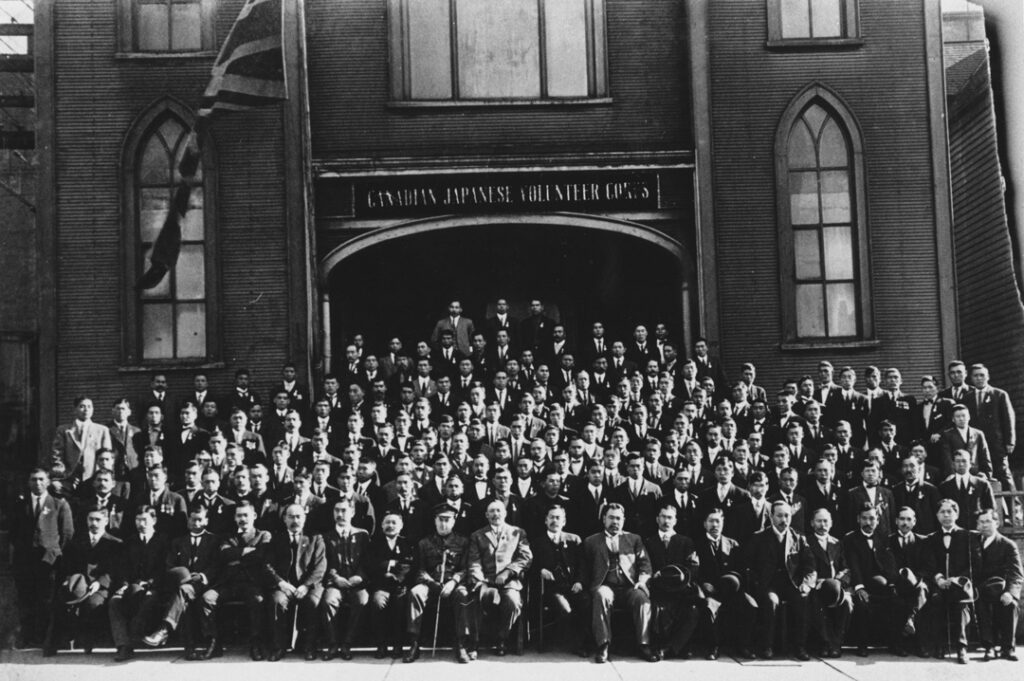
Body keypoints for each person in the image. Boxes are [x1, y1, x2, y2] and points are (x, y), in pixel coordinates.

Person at [576, 502, 656, 663]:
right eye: (611, 518)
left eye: (619, 518)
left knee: (642, 599)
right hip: (606, 585)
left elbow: (645, 564)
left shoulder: (634, 539)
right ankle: (603, 644)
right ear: (603, 519)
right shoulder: (591, 541)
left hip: (629, 587)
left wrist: (642, 581)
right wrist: (580, 582)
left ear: (624, 520)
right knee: (601, 595)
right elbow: (583, 568)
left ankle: (644, 644)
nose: (615, 522)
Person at [142, 505, 221, 659]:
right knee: (183, 594)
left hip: (207, 584)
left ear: (206, 521)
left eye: (200, 520)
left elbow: (217, 565)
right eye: (193, 520)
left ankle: (164, 629)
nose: (196, 524)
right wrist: (183, 576)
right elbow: (170, 565)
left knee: (183, 593)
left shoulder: (214, 540)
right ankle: (189, 649)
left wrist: (203, 576)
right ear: (188, 521)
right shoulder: (178, 542)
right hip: (183, 585)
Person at [744, 499, 815, 661]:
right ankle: (767, 646)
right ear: (771, 516)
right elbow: (748, 565)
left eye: (787, 516)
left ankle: (800, 646)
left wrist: (806, 584)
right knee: (771, 602)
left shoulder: (799, 538)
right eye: (780, 516)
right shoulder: (759, 538)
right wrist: (757, 583)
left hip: (792, 583)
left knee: (802, 599)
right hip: (768, 584)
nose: (784, 520)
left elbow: (810, 567)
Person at [11, 469, 74, 648]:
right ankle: (27, 635)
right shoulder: (19, 504)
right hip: (25, 561)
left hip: (49, 561)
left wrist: (54, 552)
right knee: (26, 598)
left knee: (46, 599)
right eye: (33, 480)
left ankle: (44, 637)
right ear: (28, 482)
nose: (37, 483)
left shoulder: (58, 503)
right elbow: (14, 533)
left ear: (47, 482)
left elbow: (67, 533)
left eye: (41, 479)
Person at [46, 507, 120, 656]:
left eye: (98, 519)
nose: (94, 523)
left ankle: (88, 642)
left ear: (106, 521)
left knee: (93, 604)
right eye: (90, 519)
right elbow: (67, 565)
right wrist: (69, 579)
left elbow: (115, 569)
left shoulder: (115, 544)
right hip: (78, 584)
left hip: (100, 586)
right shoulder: (77, 542)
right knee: (60, 602)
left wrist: (99, 582)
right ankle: (52, 644)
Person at [405, 503, 473, 663]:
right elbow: (420, 570)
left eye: (447, 520)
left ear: (454, 521)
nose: (443, 524)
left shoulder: (463, 542)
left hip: (453, 584)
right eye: (440, 520)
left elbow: (465, 569)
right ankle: (414, 643)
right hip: (430, 583)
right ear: (434, 520)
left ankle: (461, 644)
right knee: (415, 593)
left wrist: (453, 582)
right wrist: (430, 582)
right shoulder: (424, 543)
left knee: (463, 594)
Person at [467, 499, 533, 657]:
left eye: (498, 511)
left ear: (505, 513)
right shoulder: (477, 535)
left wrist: (508, 572)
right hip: (486, 580)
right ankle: (475, 643)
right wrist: (480, 580)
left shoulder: (517, 532)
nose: (495, 514)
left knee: (512, 601)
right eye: (492, 511)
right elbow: (473, 562)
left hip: (509, 580)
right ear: (486, 515)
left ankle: (502, 639)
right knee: (478, 598)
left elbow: (525, 557)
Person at [920, 498, 982, 663]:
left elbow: (974, 565)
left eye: (949, 512)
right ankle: (939, 644)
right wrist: (939, 579)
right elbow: (928, 564)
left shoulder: (968, 536)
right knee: (936, 600)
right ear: (937, 515)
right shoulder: (930, 539)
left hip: (961, 585)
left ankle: (962, 647)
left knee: (961, 604)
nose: (946, 515)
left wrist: (956, 579)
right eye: (942, 512)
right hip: (939, 585)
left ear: (956, 514)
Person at [210, 501, 272, 660]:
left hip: (252, 584)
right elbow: (224, 555)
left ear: (254, 516)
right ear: (234, 518)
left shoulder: (263, 535)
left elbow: (261, 556)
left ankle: (256, 643)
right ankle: (213, 642)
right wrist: (247, 552)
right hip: (228, 583)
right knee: (207, 598)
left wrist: (235, 556)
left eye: (246, 515)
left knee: (257, 600)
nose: (243, 519)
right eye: (239, 515)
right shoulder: (227, 536)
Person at [109, 505, 170, 662]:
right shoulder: (130, 541)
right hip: (132, 586)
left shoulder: (163, 541)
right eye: (138, 520)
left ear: (154, 520)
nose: (141, 524)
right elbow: (122, 567)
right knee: (115, 602)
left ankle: (136, 634)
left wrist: (149, 583)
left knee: (148, 598)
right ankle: (124, 646)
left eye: (145, 520)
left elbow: (165, 568)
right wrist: (123, 585)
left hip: (156, 588)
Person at [693, 509, 753, 659]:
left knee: (749, 605)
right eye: (711, 521)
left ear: (723, 523)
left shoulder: (733, 544)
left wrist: (733, 582)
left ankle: (743, 645)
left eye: (718, 521)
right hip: (710, 591)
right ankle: (714, 647)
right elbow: (693, 569)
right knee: (709, 607)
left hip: (731, 590)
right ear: (704, 524)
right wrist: (703, 583)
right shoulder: (697, 544)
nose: (715, 525)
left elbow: (741, 570)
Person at [644, 504, 700, 660]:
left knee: (692, 610)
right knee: (657, 609)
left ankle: (671, 648)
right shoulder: (649, 541)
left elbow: (693, 567)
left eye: (670, 517)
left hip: (681, 590)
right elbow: (646, 566)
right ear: (657, 519)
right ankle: (672, 647)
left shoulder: (686, 541)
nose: (666, 521)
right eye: (663, 516)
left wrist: (680, 581)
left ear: (675, 521)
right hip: (658, 589)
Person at [320, 497, 370, 660]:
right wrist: (335, 578)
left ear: (352, 512)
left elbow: (367, 560)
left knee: (362, 600)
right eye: (337, 510)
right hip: (336, 583)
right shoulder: (326, 537)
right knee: (329, 601)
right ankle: (333, 644)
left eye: (344, 510)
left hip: (356, 582)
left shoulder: (362, 534)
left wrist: (360, 577)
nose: (340, 514)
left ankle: (348, 643)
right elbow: (324, 562)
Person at [973, 508, 1023, 661]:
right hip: (979, 589)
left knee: (1011, 604)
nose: (985, 525)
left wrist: (1010, 592)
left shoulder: (1007, 545)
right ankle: (989, 646)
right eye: (981, 522)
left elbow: (1016, 573)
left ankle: (1008, 648)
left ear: (997, 522)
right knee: (981, 603)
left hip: (1001, 588)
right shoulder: (972, 542)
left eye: (988, 521)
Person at [365, 510, 415, 659]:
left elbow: (408, 565)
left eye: (394, 523)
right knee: (377, 602)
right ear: (381, 525)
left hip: (400, 585)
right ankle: (381, 644)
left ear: (401, 526)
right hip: (381, 586)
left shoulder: (407, 543)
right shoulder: (374, 544)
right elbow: (371, 565)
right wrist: (388, 565)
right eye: (387, 522)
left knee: (400, 604)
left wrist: (396, 576)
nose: (390, 526)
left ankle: (398, 644)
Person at [807, 508, 852, 658]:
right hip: (817, 586)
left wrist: (838, 581)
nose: (822, 524)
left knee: (847, 603)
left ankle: (836, 644)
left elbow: (845, 567)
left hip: (837, 586)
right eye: (819, 521)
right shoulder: (806, 542)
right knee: (815, 604)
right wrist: (817, 581)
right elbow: (804, 567)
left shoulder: (837, 543)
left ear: (831, 523)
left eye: (825, 521)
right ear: (812, 523)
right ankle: (825, 643)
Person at [45, 396, 113, 495]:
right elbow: (57, 455)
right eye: (82, 406)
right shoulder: (64, 430)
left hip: (93, 478)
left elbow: (107, 457)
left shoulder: (102, 430)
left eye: (89, 406)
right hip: (69, 478)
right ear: (75, 410)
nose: (86, 410)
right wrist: (59, 477)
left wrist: (103, 477)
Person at [938, 449, 995, 529]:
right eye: (957, 461)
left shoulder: (982, 484)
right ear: (953, 464)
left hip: (976, 529)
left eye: (964, 461)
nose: (961, 464)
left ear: (970, 464)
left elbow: (990, 508)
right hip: (954, 531)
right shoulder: (945, 486)